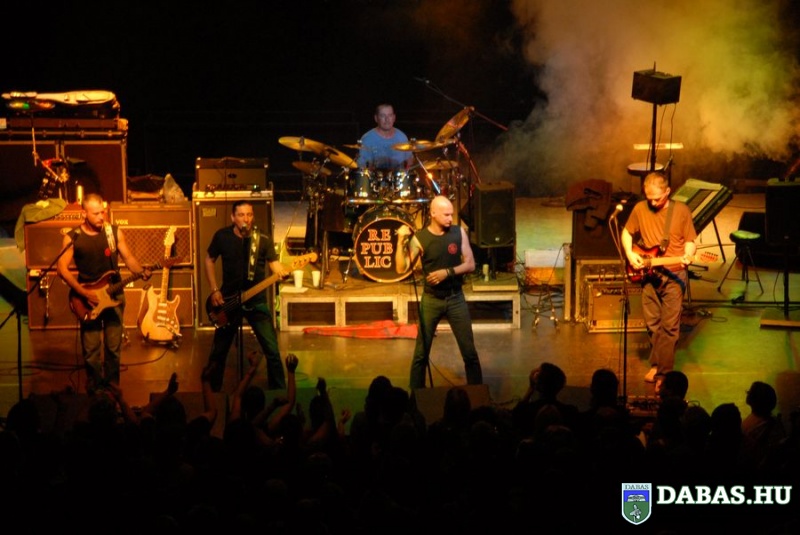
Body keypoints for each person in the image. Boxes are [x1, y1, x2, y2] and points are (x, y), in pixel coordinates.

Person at [57, 193, 151, 394]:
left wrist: (141, 270)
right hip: (87, 299)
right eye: (96, 213)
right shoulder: (73, 237)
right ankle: (94, 390)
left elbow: (128, 258)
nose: (101, 217)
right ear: (84, 213)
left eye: (103, 212)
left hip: (114, 296)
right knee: (91, 350)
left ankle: (112, 389)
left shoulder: (113, 233)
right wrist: (83, 291)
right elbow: (62, 268)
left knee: (113, 348)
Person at [395, 195, 483, 389]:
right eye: (446, 215)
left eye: (451, 214)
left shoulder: (458, 233)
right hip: (432, 299)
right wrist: (401, 240)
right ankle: (416, 397)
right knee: (421, 355)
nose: (451, 218)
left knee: (469, 353)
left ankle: (478, 396)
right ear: (433, 214)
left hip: (455, 298)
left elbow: (470, 264)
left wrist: (447, 272)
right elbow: (402, 268)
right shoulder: (420, 239)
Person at [621, 172, 697, 393]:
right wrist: (630, 254)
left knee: (670, 327)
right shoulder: (640, 208)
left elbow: (691, 241)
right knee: (652, 323)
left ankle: (664, 373)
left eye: (657, 198)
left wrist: (688, 255)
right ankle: (656, 364)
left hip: (674, 275)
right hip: (649, 274)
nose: (653, 203)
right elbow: (626, 233)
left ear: (668, 191)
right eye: (649, 198)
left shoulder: (681, 211)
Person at [204, 200, 290, 392]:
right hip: (228, 301)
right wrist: (214, 289)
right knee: (219, 352)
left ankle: (279, 393)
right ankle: (212, 393)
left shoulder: (263, 239)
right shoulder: (222, 236)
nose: (246, 219)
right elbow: (209, 259)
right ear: (233, 217)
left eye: (249, 214)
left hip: (256, 301)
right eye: (241, 215)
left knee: (272, 350)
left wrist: (283, 272)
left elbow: (274, 265)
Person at [356, 103, 414, 170]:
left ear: (394, 118)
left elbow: (409, 162)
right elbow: (362, 167)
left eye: (390, 115)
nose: (387, 119)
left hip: (399, 176)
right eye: (382, 116)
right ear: (376, 118)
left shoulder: (402, 137)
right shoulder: (367, 139)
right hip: (375, 176)